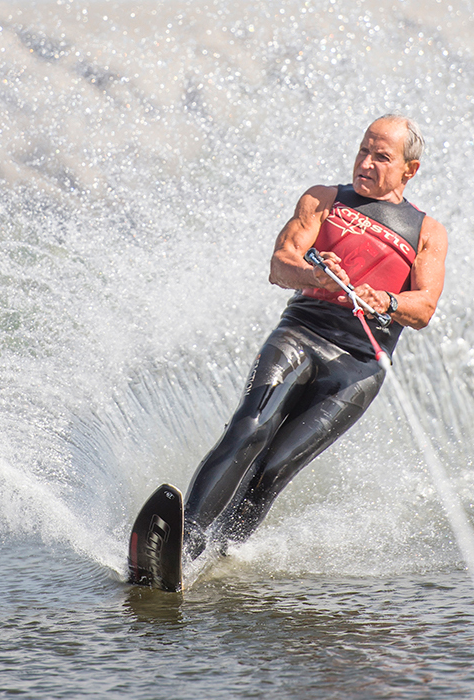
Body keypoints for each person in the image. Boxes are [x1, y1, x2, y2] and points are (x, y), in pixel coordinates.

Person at [183, 114, 448, 558]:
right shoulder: (323, 200)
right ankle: (183, 543)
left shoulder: (427, 233)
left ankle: (218, 555)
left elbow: (424, 307)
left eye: (381, 156)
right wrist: (316, 275)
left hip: (358, 365)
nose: (365, 163)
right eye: (363, 150)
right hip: (301, 332)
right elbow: (279, 265)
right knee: (250, 429)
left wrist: (386, 301)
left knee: (275, 467)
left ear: (409, 169)